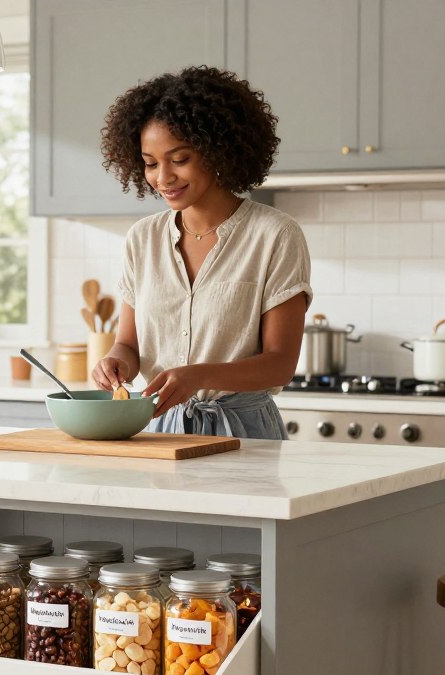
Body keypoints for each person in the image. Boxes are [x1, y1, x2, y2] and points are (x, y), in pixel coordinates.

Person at [91, 66, 311, 439]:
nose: (163, 177)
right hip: (157, 430)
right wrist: (116, 363)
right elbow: (128, 344)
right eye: (150, 163)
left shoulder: (275, 234)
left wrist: (200, 376)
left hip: (244, 434)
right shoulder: (142, 239)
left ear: (217, 150)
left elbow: (280, 364)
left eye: (179, 159)